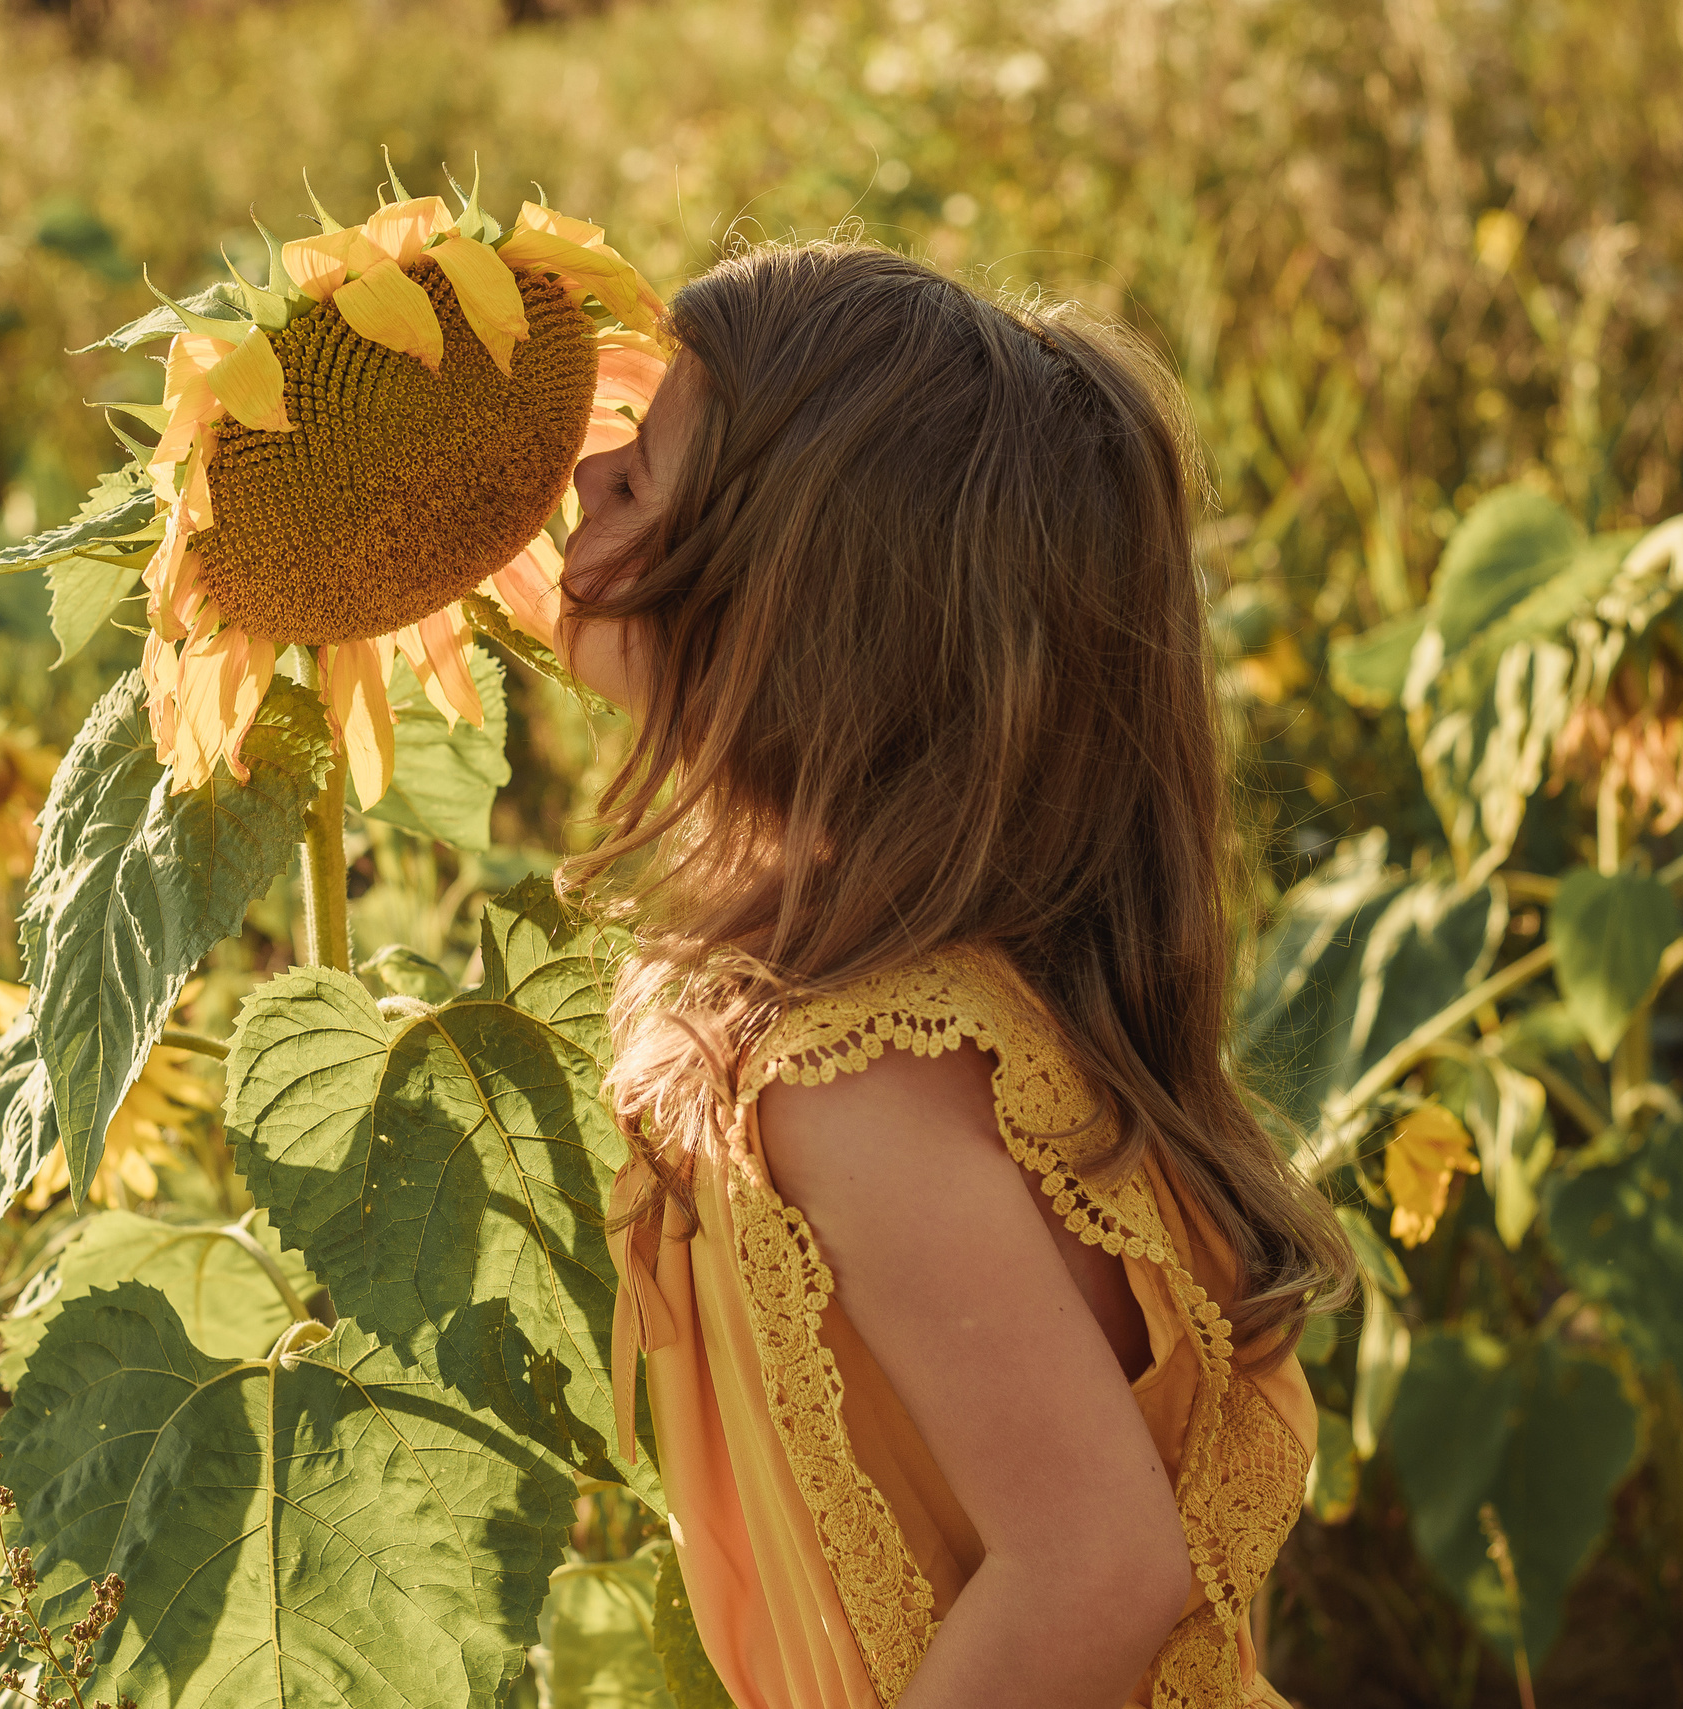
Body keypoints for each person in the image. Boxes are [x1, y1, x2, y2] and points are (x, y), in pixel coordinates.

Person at [557, 241, 1356, 1709]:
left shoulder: (849, 1086)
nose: (595, 472)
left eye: (651, 461)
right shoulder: (890, 1005)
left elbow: (1095, 1571)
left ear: (792, 599)